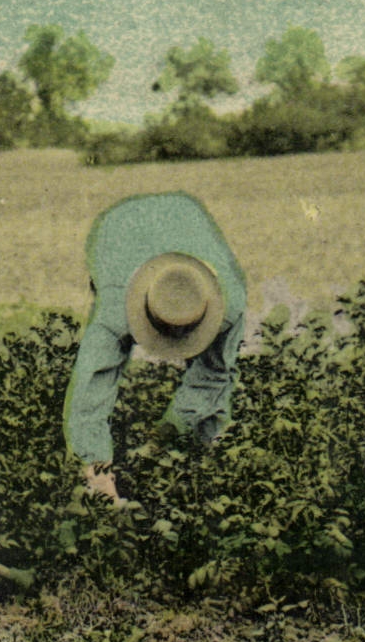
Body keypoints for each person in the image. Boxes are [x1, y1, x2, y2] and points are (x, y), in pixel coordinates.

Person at [63, 193, 246, 507]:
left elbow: (214, 377)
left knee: (215, 398)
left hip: (184, 217)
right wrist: (98, 473)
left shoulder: (229, 307)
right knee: (96, 366)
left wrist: (162, 437)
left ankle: (209, 462)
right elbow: (90, 394)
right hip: (119, 231)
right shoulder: (116, 312)